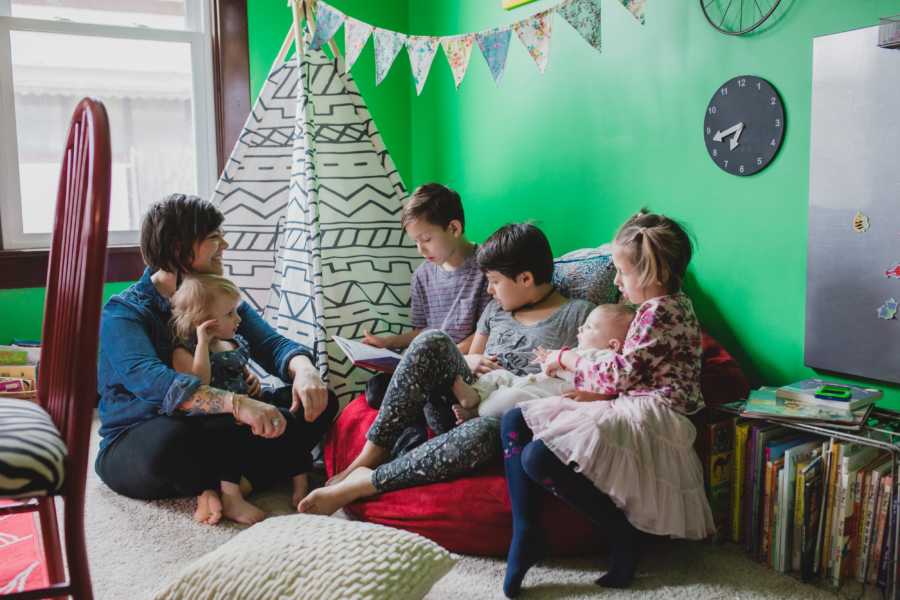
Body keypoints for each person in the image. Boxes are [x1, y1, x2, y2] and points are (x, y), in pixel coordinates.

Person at [297, 223, 594, 516]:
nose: (489, 290)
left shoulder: (578, 314)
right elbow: (469, 359)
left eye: (494, 281)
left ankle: (369, 482)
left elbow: (588, 375)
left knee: (484, 430)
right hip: (461, 400)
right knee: (432, 339)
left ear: (526, 278)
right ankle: (371, 453)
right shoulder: (496, 311)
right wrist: (468, 360)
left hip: (501, 420)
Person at [499, 210, 716, 597]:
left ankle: (621, 535)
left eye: (622, 272)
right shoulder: (658, 308)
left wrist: (566, 359)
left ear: (653, 275)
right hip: (630, 401)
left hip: (656, 415)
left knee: (538, 457)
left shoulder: (663, 312)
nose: (616, 281)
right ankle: (526, 530)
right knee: (513, 419)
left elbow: (621, 373)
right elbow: (626, 375)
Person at [95, 194, 338, 526]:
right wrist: (237, 404)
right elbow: (158, 384)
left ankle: (219, 485)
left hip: (220, 428)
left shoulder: (216, 293)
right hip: (145, 434)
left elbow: (271, 344)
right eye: (213, 238)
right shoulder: (125, 312)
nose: (224, 243)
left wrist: (304, 370)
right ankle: (233, 479)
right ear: (180, 248)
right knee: (173, 441)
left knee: (317, 401)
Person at [169, 273, 322, 523]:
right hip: (215, 420)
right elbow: (201, 385)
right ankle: (232, 496)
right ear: (204, 322)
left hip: (247, 411)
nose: (238, 319)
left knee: (288, 410)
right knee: (231, 429)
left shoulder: (232, 341)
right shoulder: (184, 350)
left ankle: (299, 475)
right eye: (229, 314)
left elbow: (240, 369)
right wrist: (202, 344)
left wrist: (252, 381)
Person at [360, 184, 490, 428]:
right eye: (415, 242)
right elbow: (423, 330)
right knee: (376, 390)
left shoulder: (486, 267)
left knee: (430, 399)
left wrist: (436, 358)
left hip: (461, 363)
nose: (421, 249)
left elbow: (486, 329)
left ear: (454, 228)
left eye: (427, 239)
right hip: (427, 363)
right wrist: (388, 343)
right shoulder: (422, 275)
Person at [449, 303, 636, 421]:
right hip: (524, 381)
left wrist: (559, 364)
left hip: (535, 397)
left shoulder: (606, 360)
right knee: (498, 375)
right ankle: (473, 395)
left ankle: (476, 412)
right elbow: (554, 367)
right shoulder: (576, 351)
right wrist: (547, 360)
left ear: (612, 346)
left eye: (588, 327)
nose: (581, 328)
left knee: (507, 399)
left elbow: (586, 378)